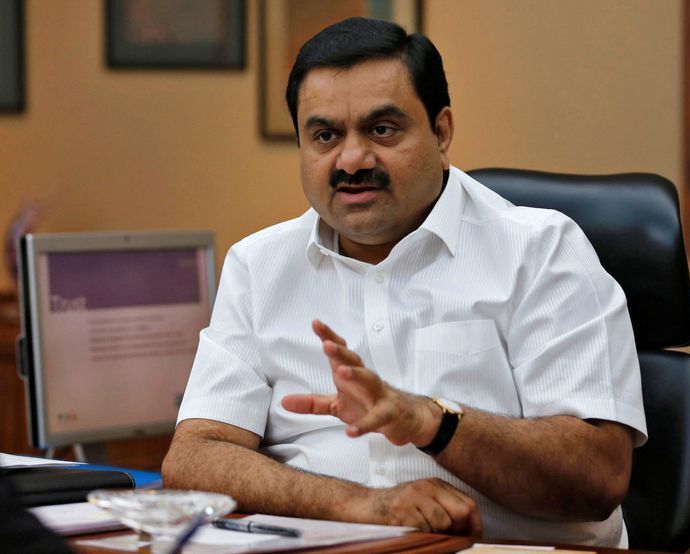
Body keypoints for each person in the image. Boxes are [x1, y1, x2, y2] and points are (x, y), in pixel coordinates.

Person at [162, 17, 647, 548]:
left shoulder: (541, 251)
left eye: (382, 130)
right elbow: (194, 457)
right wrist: (358, 506)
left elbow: (596, 477)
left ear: (441, 133)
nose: (352, 159)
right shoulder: (259, 265)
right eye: (325, 135)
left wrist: (430, 421)